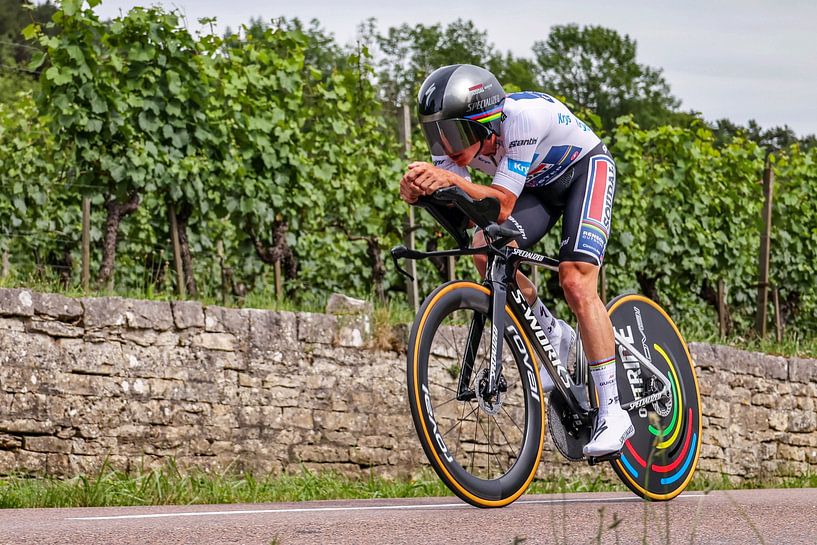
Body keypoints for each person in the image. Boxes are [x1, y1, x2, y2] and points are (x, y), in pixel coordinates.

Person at [399, 64, 633, 457]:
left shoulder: (521, 120)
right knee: (483, 248)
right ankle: (551, 331)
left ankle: (613, 411)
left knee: (575, 281)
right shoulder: (452, 150)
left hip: (584, 170)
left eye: (454, 132)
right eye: (436, 133)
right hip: (538, 187)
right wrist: (420, 195)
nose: (445, 145)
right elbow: (467, 214)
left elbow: (502, 204)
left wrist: (452, 182)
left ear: (485, 123)